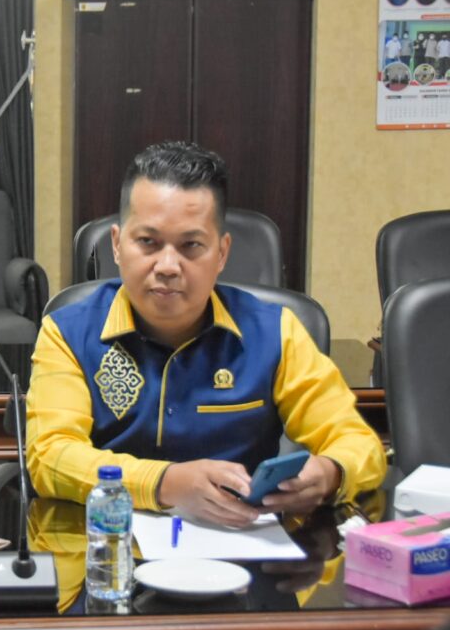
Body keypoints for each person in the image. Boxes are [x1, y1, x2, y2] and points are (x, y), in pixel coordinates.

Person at [25, 141, 386, 528]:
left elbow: (358, 444)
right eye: (147, 242)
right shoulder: (68, 332)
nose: (167, 265)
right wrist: (165, 483)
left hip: (243, 546)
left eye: (191, 245)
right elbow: (50, 456)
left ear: (222, 253)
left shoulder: (275, 331)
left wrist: (330, 473)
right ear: (116, 244)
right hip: (108, 546)